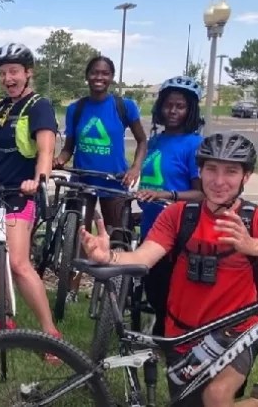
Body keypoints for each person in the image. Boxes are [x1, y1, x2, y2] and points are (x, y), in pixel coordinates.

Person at [81, 132, 258, 407]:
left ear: (246, 176)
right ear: (200, 171)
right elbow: (143, 257)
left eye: (231, 172)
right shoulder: (179, 215)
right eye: (211, 169)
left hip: (234, 333)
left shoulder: (252, 218)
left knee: (216, 396)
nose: (219, 181)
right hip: (182, 334)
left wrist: (251, 245)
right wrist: (108, 256)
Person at [0, 43, 61, 342]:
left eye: (14, 71)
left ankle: (51, 335)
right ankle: (3, 319)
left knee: (18, 263)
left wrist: (38, 180)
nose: (8, 78)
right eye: (3, 73)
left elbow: (46, 151)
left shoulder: (39, 106)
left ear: (28, 73)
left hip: (17, 193)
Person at [54, 56, 148, 300]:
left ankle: (113, 290)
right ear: (87, 76)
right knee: (79, 236)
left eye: (105, 73)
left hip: (114, 180)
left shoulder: (124, 106)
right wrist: (60, 159)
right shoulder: (76, 109)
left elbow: (142, 141)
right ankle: (72, 288)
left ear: (111, 77)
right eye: (95, 72)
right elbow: (69, 148)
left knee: (117, 235)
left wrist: (135, 168)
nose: (99, 77)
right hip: (83, 180)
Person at [135, 75, 205, 336]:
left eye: (180, 106)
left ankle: (167, 338)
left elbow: (202, 194)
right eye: (168, 105)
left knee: (166, 289)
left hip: (178, 230)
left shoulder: (194, 145)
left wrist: (167, 195)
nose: (173, 111)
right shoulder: (155, 141)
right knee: (153, 286)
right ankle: (161, 333)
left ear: (190, 110)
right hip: (150, 225)